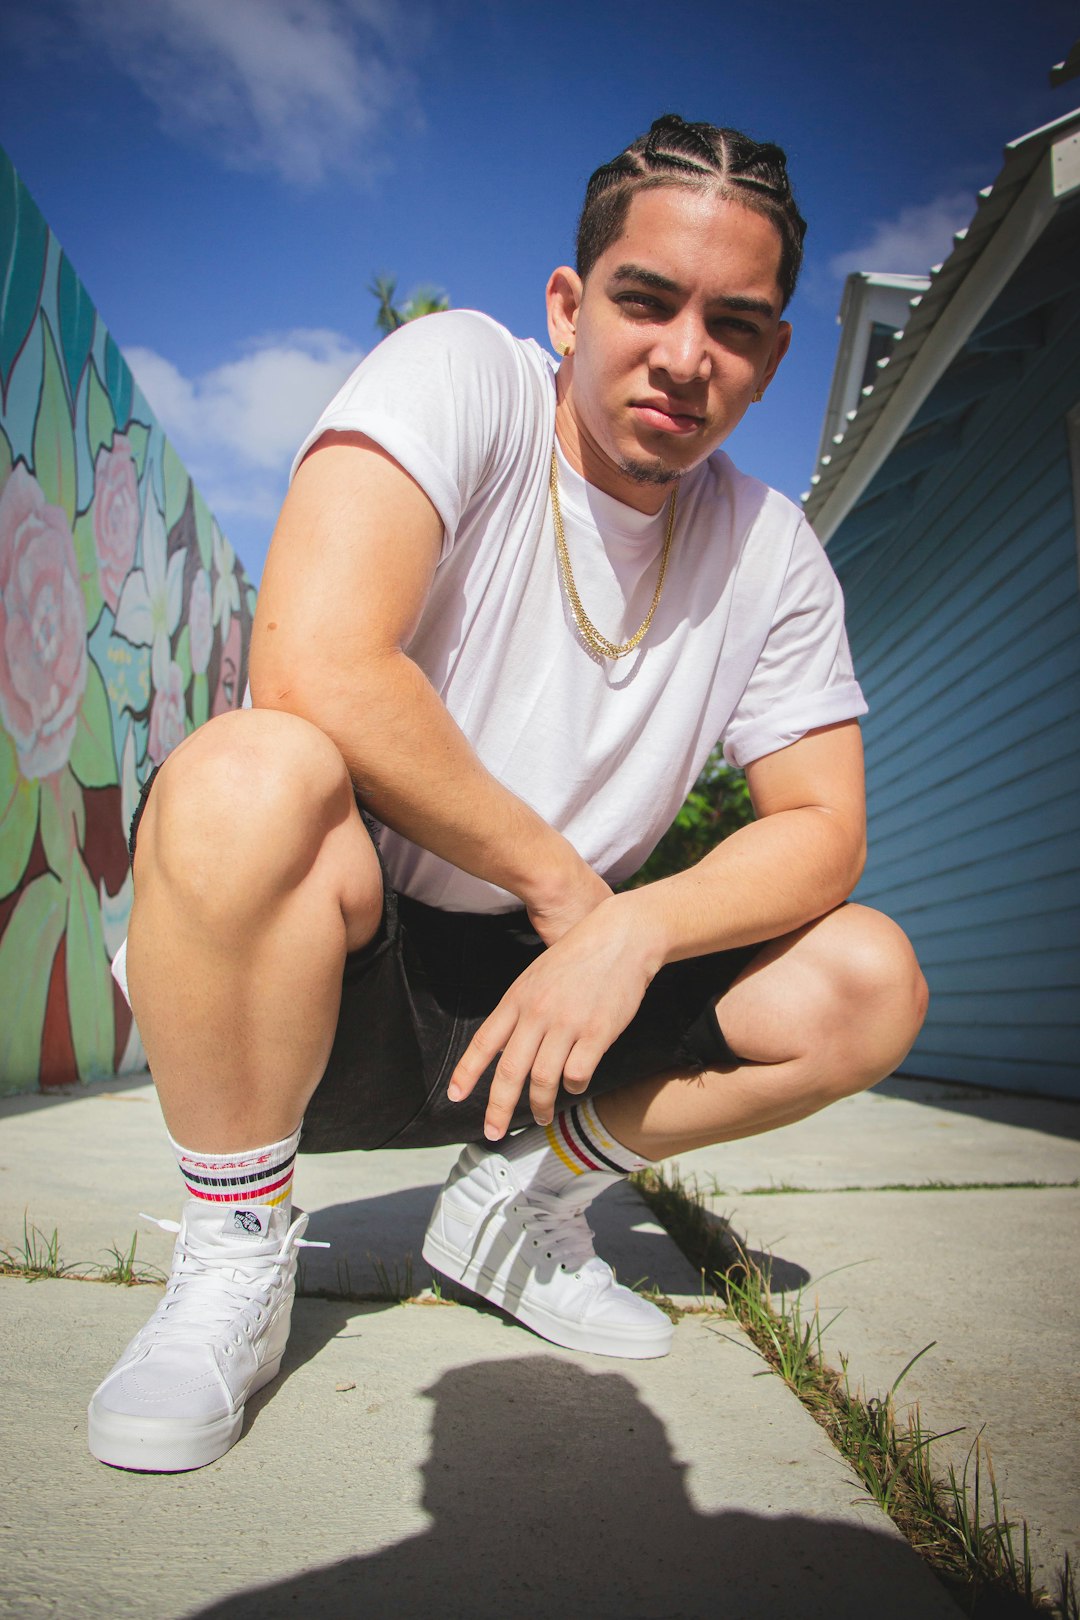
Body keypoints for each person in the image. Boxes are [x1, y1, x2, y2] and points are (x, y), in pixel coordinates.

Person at [88, 114, 928, 1472]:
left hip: (572, 1009)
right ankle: (234, 1251)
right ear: (568, 303)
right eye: (647, 299)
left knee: (869, 979)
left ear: (771, 359)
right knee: (245, 770)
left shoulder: (772, 554)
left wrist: (631, 933)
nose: (683, 353)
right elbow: (315, 665)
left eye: (735, 323)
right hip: (357, 977)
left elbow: (826, 828)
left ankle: (520, 1204)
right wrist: (567, 893)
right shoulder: (462, 374)